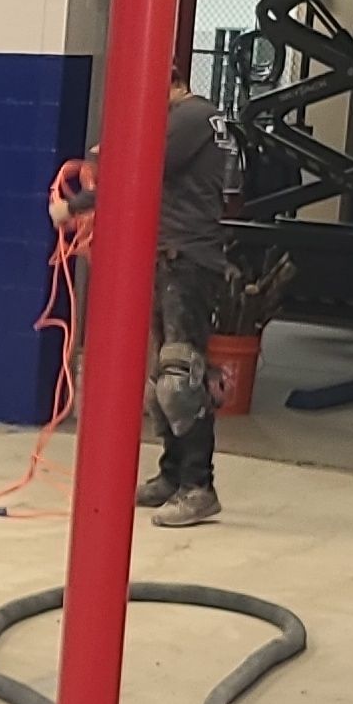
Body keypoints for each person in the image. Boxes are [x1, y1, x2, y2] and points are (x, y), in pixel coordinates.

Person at [55, 77, 235, 527]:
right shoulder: (190, 119)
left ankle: (199, 487)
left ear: (171, 81)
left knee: (180, 377)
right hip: (167, 256)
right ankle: (172, 475)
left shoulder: (192, 118)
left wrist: (78, 204)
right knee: (159, 383)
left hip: (187, 259)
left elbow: (140, 168)